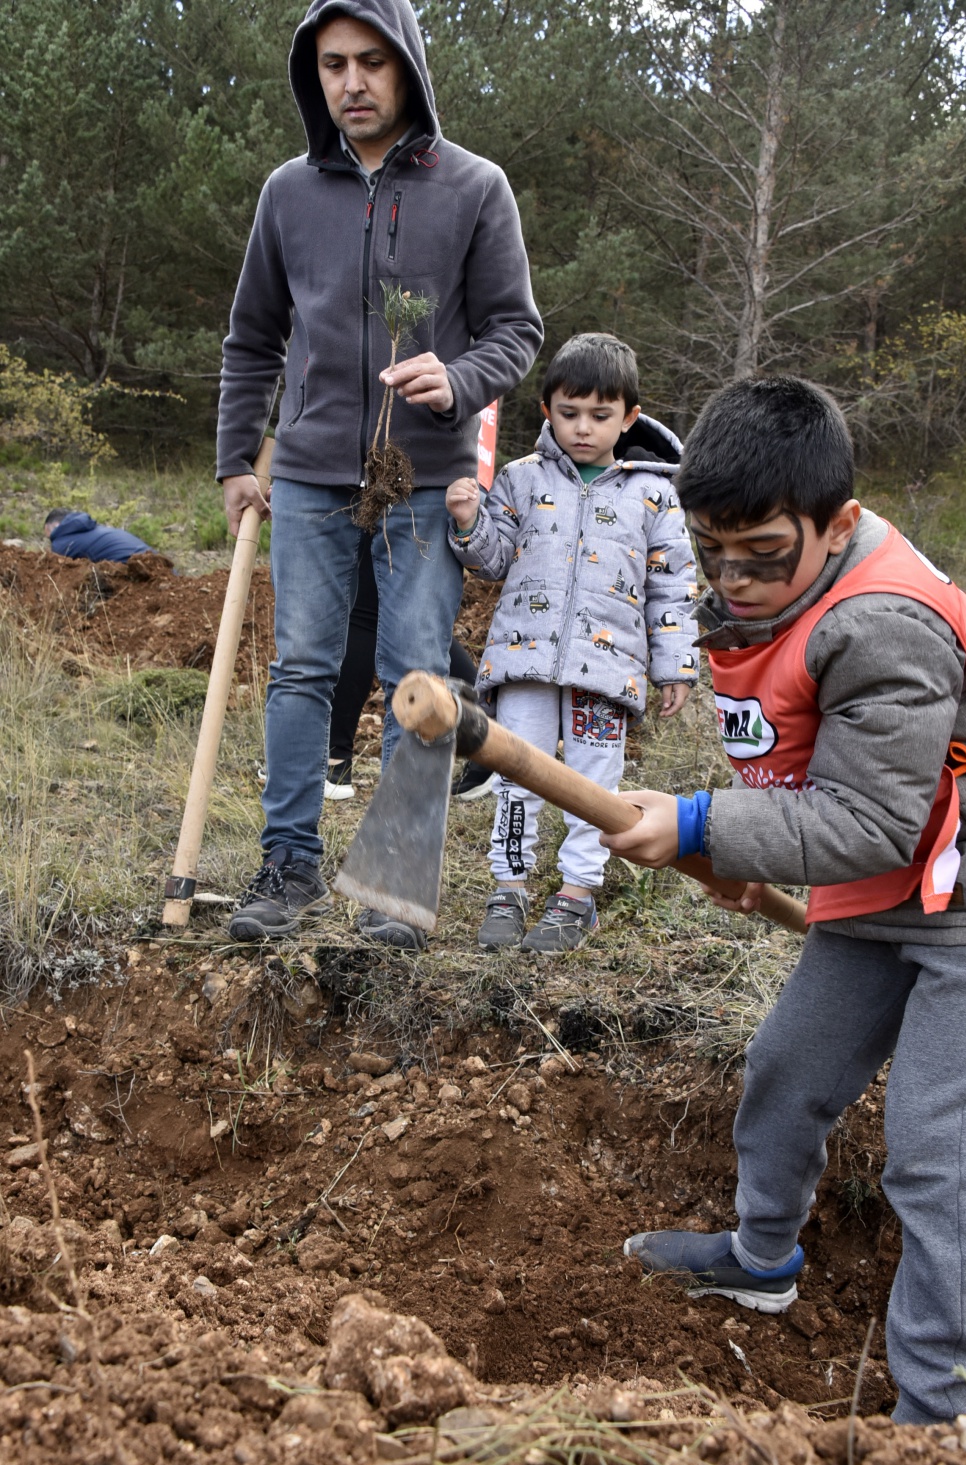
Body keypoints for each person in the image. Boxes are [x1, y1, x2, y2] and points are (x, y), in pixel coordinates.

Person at [602, 376, 966, 1426]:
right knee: (787, 1074)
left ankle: (940, 1409)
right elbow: (792, 757)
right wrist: (740, 844)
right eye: (711, 553)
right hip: (875, 894)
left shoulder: (882, 626)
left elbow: (868, 818)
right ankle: (759, 1260)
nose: (732, 580)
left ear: (839, 523)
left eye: (763, 555)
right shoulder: (763, 588)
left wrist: (698, 825)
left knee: (935, 1150)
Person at [218, 0, 543, 947]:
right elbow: (251, 338)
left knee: (417, 678)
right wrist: (240, 460)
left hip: (424, 477)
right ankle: (288, 868)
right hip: (313, 475)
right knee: (302, 672)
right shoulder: (288, 193)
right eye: (331, 65)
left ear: (405, 67)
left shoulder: (475, 188)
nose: (350, 83)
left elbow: (514, 331)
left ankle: (396, 883)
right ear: (312, 75)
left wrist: (459, 377)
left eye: (369, 62)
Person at [446, 333, 699, 954]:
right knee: (516, 774)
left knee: (593, 784)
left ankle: (576, 896)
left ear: (629, 417)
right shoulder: (519, 478)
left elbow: (672, 586)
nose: (583, 428)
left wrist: (677, 667)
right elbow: (494, 559)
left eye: (600, 415)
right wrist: (468, 522)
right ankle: (508, 888)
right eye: (569, 413)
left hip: (605, 672)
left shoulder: (654, 493)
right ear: (547, 410)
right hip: (524, 663)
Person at [258, 529, 492, 801]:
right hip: (378, 490)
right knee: (401, 614)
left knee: (375, 608)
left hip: (414, 491)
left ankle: (335, 757)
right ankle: (491, 719)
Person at [44, 509, 153, 563]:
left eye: (50, 537)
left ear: (55, 525)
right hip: (157, 561)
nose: (51, 543)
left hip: (134, 567)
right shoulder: (93, 529)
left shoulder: (61, 542)